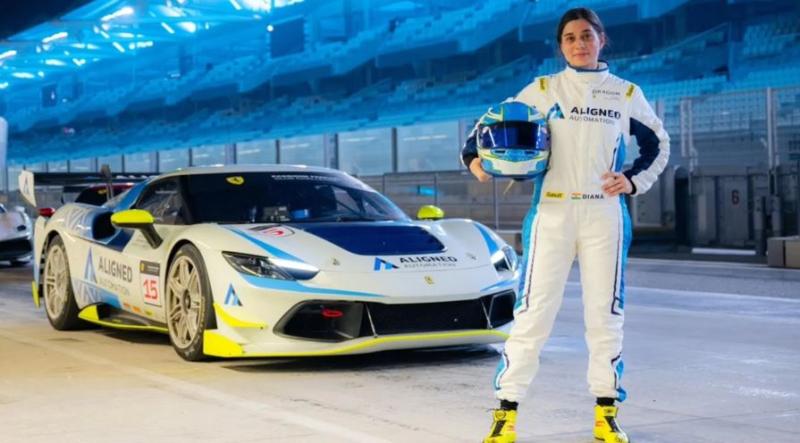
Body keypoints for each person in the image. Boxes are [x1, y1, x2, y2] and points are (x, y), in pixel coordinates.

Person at [460, 8, 670, 443]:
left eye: (587, 35)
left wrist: (633, 180)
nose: (579, 44)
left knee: (605, 316)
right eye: (570, 37)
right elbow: (484, 128)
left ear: (602, 39)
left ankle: (606, 414)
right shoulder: (543, 89)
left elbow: (658, 144)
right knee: (532, 314)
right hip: (552, 214)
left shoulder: (625, 93)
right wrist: (475, 160)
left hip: (604, 215)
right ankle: (505, 415)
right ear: (561, 46)